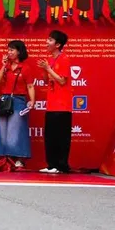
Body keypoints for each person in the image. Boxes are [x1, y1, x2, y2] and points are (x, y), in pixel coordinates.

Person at [0, 40, 35, 169]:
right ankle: (6, 159)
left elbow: (30, 86)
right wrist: (3, 66)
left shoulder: (26, 68)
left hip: (18, 100)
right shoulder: (6, 67)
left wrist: (32, 101)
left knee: (16, 130)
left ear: (19, 51)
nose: (9, 52)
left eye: (12, 50)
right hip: (4, 100)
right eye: (8, 49)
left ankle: (19, 159)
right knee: (3, 129)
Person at [39, 30, 72, 174]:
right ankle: (51, 165)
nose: (47, 42)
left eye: (50, 40)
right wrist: (45, 69)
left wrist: (47, 69)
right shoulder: (50, 59)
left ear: (58, 44)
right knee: (50, 136)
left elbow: (62, 81)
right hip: (51, 104)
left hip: (63, 105)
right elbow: (47, 80)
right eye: (48, 39)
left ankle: (61, 165)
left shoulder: (64, 59)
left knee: (61, 137)